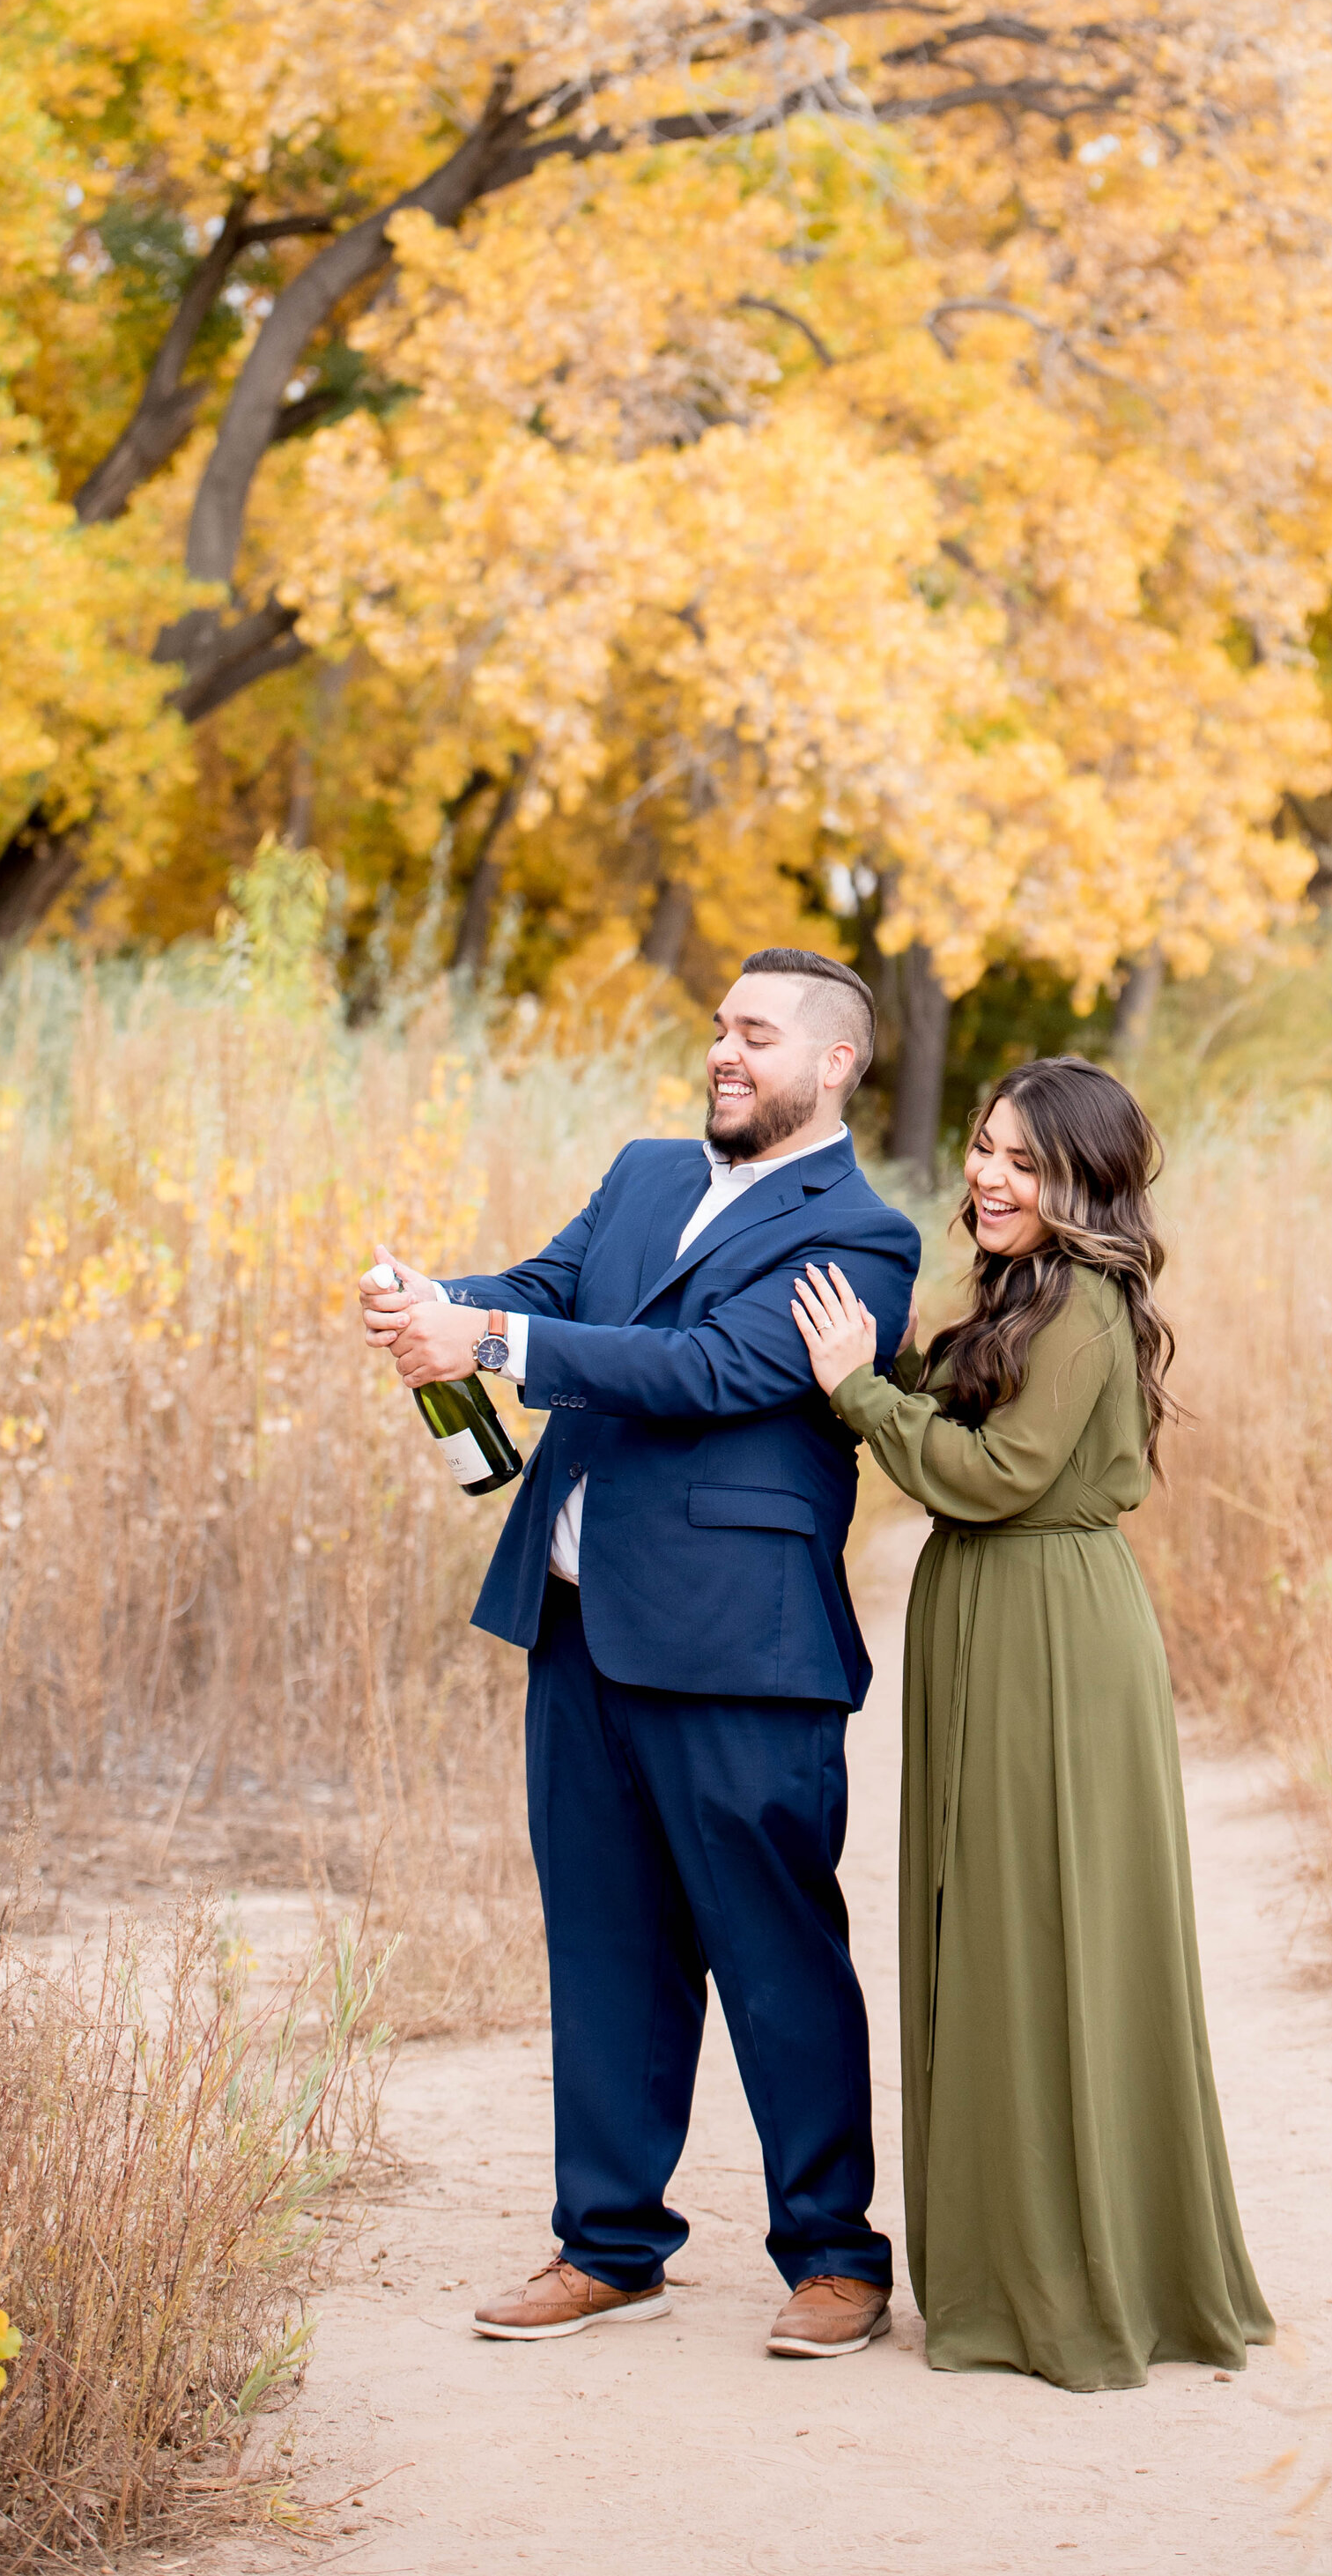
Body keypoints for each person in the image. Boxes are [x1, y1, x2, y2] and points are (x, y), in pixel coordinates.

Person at [361, 949, 920, 2360]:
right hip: (578, 1633)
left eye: (756, 1031)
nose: (724, 1050)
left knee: (778, 1952)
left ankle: (838, 2257)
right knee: (605, 1948)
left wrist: (487, 1335)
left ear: (836, 1063)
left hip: (743, 1651)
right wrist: (434, 1298)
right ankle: (610, 2244)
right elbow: (551, 1286)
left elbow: (713, 1371)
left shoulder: (862, 1234)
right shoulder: (643, 1170)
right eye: (717, 1025)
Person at [790, 1052, 1272, 2393]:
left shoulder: (1087, 1306)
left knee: (1045, 1924)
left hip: (1052, 1635)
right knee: (989, 1923)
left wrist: (855, 1387)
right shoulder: (1027, 1291)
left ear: (1084, 1180)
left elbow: (996, 1475)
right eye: (987, 1149)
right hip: (994, 1621)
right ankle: (1007, 2260)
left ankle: (1069, 2278)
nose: (991, 1177)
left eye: (1025, 1159)